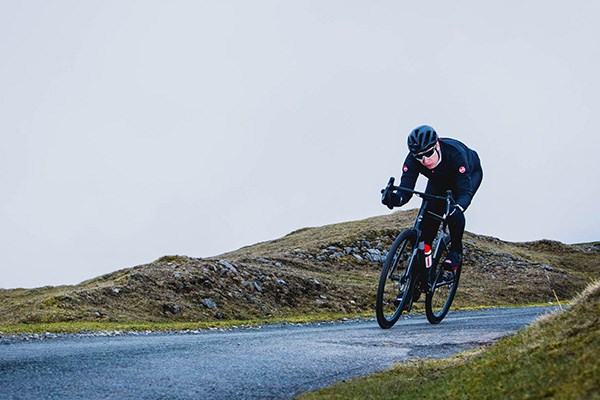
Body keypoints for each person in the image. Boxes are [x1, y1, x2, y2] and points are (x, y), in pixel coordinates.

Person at [382, 125, 483, 270]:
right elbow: (405, 191)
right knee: (427, 226)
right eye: (419, 156)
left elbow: (465, 193)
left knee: (454, 212)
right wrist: (393, 199)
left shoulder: (455, 153)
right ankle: (423, 270)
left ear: (437, 144)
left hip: (468, 174)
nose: (424, 160)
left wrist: (458, 207)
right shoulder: (413, 159)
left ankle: (455, 251)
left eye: (428, 153)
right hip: (439, 180)